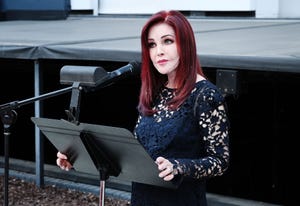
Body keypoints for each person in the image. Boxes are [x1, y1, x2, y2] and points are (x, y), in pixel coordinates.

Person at [57, 10, 230, 206]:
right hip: (142, 199)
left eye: (168, 41)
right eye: (152, 45)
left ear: (186, 44)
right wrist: (78, 157)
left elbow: (219, 162)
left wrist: (179, 166)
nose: (159, 51)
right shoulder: (155, 92)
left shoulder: (205, 94)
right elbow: (135, 153)